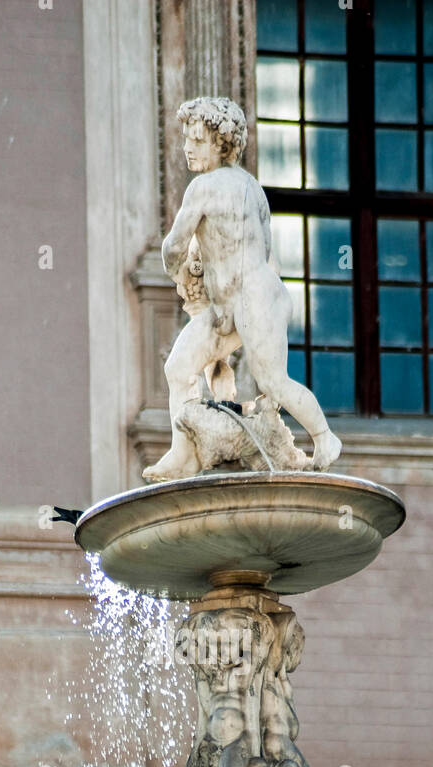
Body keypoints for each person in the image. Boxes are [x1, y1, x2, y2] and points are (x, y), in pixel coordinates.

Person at [143, 96, 342, 482]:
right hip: (245, 301)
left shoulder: (202, 187)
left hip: (250, 301)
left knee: (271, 381)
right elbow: (263, 251)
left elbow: (174, 245)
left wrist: (177, 271)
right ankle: (183, 453)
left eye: (197, 140)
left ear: (221, 143)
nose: (187, 147)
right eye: (185, 138)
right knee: (179, 366)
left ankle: (324, 437)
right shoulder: (254, 189)